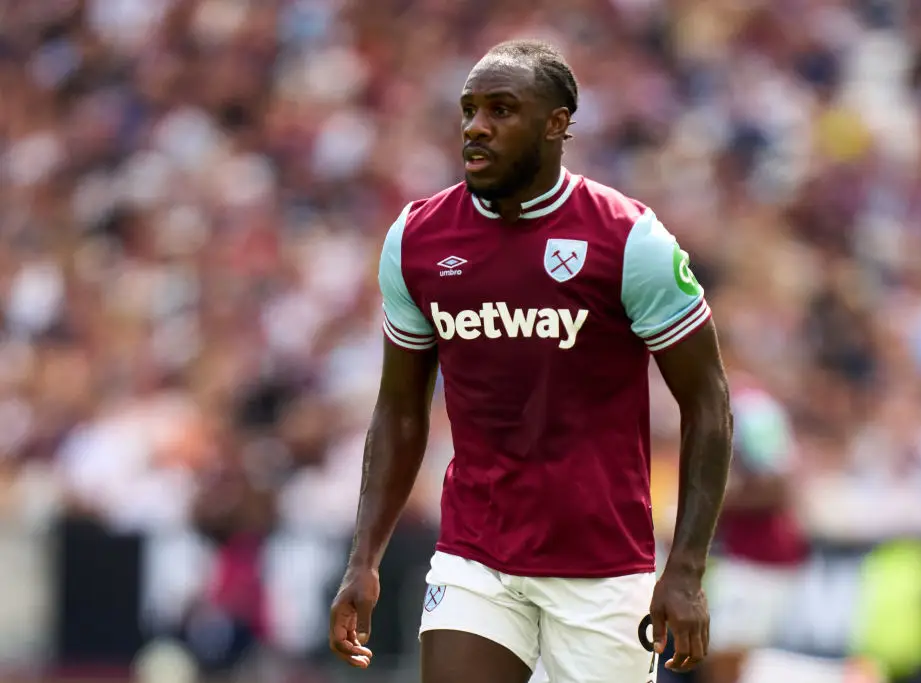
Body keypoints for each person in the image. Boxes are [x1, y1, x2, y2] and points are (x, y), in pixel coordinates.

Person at [329, 39, 733, 683]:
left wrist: (684, 569)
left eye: (501, 109)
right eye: (469, 109)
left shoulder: (630, 239)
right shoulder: (417, 239)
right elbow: (399, 409)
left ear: (557, 124)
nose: (476, 127)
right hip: (476, 556)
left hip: (603, 569)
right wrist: (363, 558)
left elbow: (708, 402)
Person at [698, 341, 808, 683]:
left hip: (760, 557)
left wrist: (709, 503)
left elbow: (777, 488)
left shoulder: (751, 408)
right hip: (745, 554)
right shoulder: (723, 403)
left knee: (730, 660)